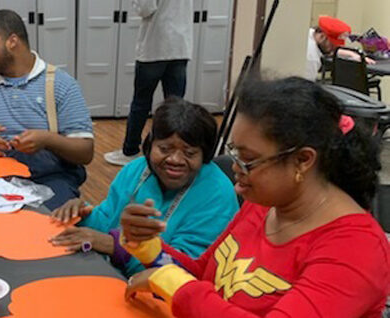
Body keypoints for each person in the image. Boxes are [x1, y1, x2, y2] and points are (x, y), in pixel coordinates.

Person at [122, 77, 390, 317]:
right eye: (234, 153)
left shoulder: (355, 249)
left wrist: (174, 284)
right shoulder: (265, 205)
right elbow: (204, 275)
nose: (236, 169)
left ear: (302, 160)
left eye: (248, 160)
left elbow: (187, 288)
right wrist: (149, 248)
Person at [49, 98, 238, 277]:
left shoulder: (217, 195)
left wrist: (116, 246)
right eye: (164, 149)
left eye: (189, 153)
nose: (175, 160)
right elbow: (108, 219)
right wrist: (82, 215)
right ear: (150, 145)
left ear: (205, 156)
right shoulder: (137, 169)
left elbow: (183, 270)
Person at [0, 10, 94, 209]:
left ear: (12, 41)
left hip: (50, 179)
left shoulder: (61, 85)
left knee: (50, 228)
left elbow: (85, 152)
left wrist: (47, 140)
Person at [104, 0, 193, 166]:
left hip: (155, 47)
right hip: (180, 46)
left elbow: (145, 9)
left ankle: (130, 150)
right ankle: (174, 149)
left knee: (141, 102)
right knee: (175, 106)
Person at [305, 15, 375, 81]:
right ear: (322, 36)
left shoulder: (308, 33)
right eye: (333, 44)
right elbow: (304, 88)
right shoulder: (311, 58)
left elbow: (329, 50)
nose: (335, 48)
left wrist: (352, 54)